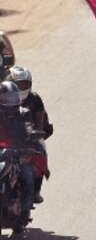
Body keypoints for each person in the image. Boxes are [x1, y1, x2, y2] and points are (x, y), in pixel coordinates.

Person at [5, 66, 51, 204]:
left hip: (27, 138)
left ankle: (36, 190)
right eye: (18, 84)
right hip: (6, 138)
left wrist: (36, 135)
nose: (21, 87)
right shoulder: (3, 97)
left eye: (25, 84)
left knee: (41, 149)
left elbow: (40, 120)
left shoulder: (34, 99)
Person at [0, 81, 39, 234]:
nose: (12, 100)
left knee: (27, 177)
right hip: (1, 153)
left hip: (18, 153)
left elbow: (28, 129)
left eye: (13, 97)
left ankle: (25, 210)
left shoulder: (23, 113)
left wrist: (30, 142)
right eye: (8, 97)